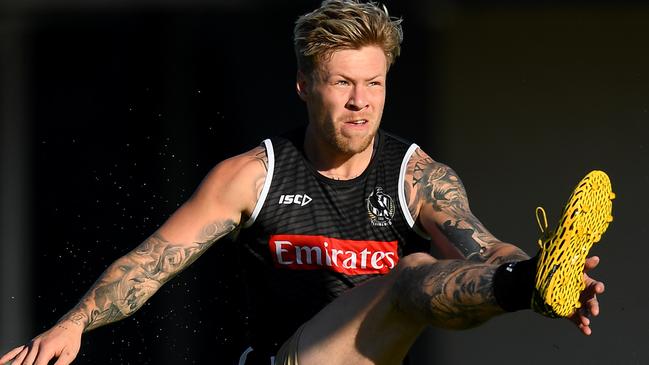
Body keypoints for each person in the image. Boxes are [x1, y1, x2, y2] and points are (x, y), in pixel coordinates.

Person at [0, 1, 612, 365]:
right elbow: (153, 261)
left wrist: (534, 273)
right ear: (303, 87)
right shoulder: (254, 175)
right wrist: (73, 323)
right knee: (406, 276)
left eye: (372, 84)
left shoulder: (418, 175)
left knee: (431, 272)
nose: (359, 102)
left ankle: (535, 284)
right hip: (285, 361)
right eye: (342, 83)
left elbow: (484, 249)